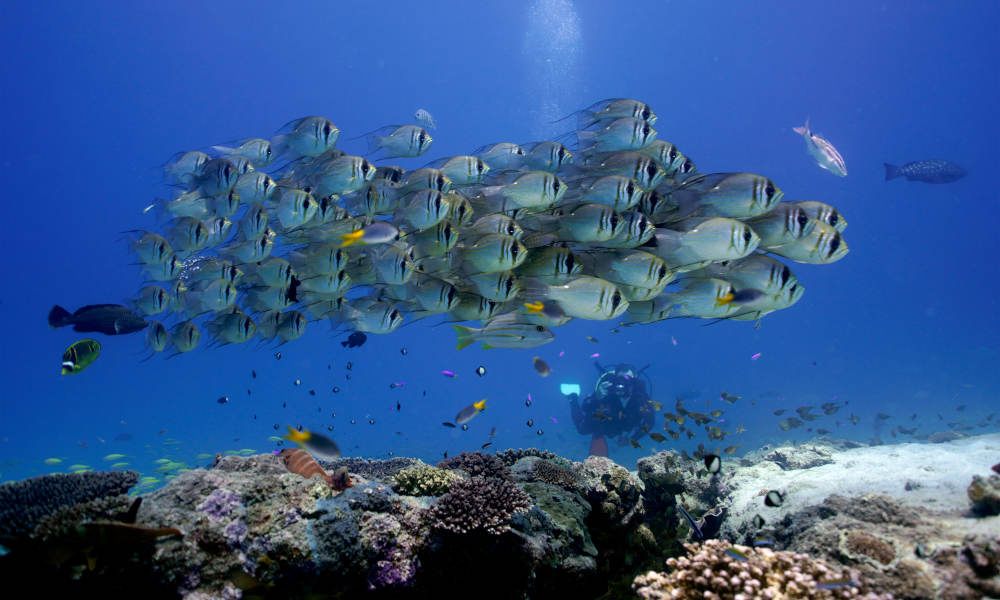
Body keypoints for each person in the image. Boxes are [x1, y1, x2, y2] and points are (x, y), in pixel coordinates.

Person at [567, 362, 656, 457]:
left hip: (625, 425)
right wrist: (596, 397)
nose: (623, 384)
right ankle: (573, 398)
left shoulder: (640, 396)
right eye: (620, 379)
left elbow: (650, 421)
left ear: (634, 380)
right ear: (615, 378)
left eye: (627, 379)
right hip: (606, 424)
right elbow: (585, 407)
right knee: (582, 430)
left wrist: (633, 439)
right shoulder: (607, 389)